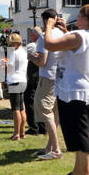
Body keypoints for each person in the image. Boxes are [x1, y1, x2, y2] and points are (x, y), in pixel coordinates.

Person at [41, 3, 89, 175]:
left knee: (80, 134)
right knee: (75, 133)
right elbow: (74, 47)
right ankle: (78, 171)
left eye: (80, 14)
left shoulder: (79, 36)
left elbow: (50, 45)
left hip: (76, 91)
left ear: (84, 17)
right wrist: (65, 31)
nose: (77, 17)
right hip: (79, 89)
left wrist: (49, 27)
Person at [28, 10, 66, 159]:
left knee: (43, 108)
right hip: (61, 77)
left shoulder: (45, 36)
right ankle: (50, 147)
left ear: (45, 20)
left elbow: (42, 62)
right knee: (55, 112)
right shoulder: (63, 34)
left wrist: (31, 58)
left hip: (48, 77)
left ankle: (56, 149)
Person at [1, 32, 29, 140]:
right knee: (22, 108)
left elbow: (9, 69)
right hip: (23, 80)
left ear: (14, 43)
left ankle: (16, 133)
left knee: (15, 109)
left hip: (14, 81)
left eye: (10, 44)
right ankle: (22, 132)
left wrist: (2, 65)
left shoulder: (15, 53)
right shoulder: (23, 52)